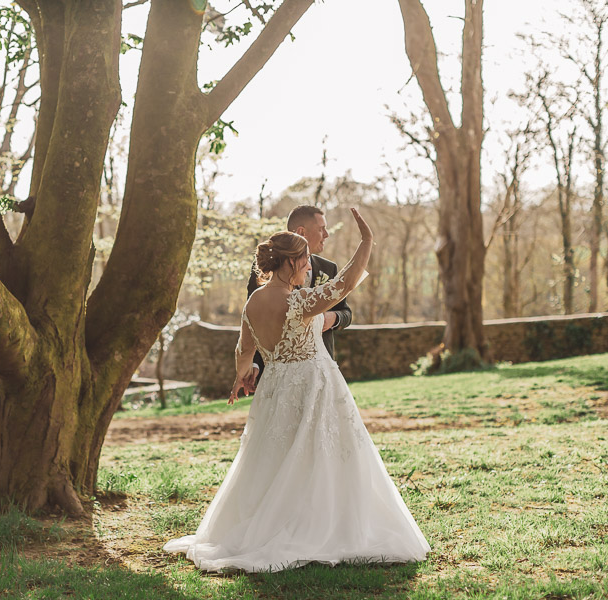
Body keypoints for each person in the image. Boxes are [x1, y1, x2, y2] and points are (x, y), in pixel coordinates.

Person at [163, 208, 430, 572]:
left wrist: (243, 374)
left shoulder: (253, 302)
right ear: (289, 264)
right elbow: (346, 285)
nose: (309, 267)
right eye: (304, 261)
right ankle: (321, 526)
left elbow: (243, 349)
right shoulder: (299, 303)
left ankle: (268, 523)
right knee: (321, 453)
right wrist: (367, 242)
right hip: (311, 384)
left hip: (275, 385)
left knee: (276, 456)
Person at [245, 205, 351, 389]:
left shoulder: (329, 268)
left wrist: (333, 318)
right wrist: (253, 364)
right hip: (281, 374)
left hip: (321, 369)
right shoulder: (267, 272)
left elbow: (346, 313)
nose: (326, 234)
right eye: (321, 229)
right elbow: (253, 320)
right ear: (302, 232)